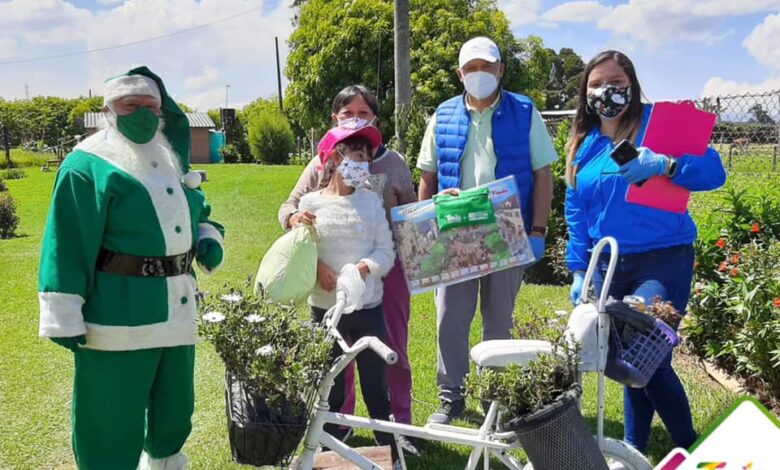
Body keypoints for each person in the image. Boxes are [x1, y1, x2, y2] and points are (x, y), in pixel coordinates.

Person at [38, 67, 225, 470]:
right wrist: (64, 314)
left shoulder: (168, 156)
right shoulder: (86, 165)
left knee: (173, 409)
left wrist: (207, 234)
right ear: (109, 110)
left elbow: (196, 207)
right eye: (131, 105)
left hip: (176, 310)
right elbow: (67, 240)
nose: (142, 113)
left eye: (150, 106)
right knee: (110, 418)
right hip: (118, 319)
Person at [564, 50, 726, 454]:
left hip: (663, 256)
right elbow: (577, 212)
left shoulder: (659, 123)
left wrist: (666, 166)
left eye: (616, 83)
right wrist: (579, 269)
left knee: (645, 354)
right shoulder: (584, 145)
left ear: (632, 85)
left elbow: (713, 172)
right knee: (626, 359)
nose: (607, 92)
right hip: (609, 264)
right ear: (585, 93)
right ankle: (635, 450)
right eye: (597, 84)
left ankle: (691, 447)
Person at [417, 36, 558, 424]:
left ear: (500, 70)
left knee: (499, 317)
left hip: (507, 231)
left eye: (487, 67)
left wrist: (539, 230)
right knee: (451, 317)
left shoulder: (525, 111)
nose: (480, 74)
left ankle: (494, 398)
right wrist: (428, 223)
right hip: (455, 230)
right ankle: (451, 397)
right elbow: (427, 176)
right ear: (460, 73)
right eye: (471, 68)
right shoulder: (443, 114)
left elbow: (543, 174)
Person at [278, 85, 420, 453]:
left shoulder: (393, 166)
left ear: (376, 118)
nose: (356, 119)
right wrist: (295, 219)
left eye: (364, 113)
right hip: (328, 299)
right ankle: (338, 432)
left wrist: (442, 208)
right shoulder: (319, 171)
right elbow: (292, 209)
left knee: (391, 352)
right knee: (335, 370)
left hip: (384, 277)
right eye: (348, 114)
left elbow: (414, 212)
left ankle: (397, 431)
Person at [300, 125, 399, 462]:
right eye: (357, 157)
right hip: (327, 312)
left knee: (376, 387)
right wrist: (318, 270)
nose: (363, 166)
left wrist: (363, 268)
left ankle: (391, 451)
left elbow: (386, 252)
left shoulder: (371, 203)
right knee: (331, 387)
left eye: (367, 160)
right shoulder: (311, 204)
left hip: (368, 307)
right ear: (336, 159)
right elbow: (301, 251)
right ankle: (327, 454)